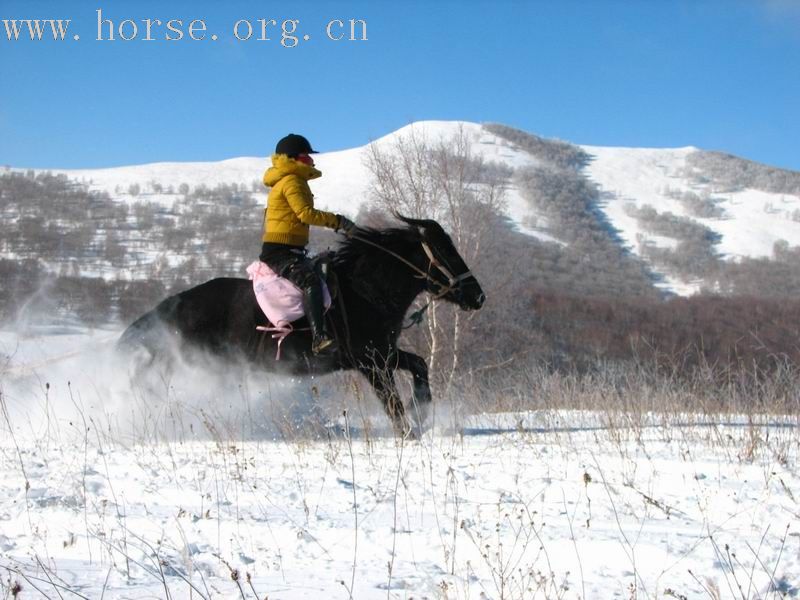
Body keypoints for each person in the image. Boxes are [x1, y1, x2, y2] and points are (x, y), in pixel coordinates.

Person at [259, 133, 356, 355]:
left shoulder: (291, 179)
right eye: (307, 156)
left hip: (291, 249)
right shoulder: (292, 180)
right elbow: (306, 214)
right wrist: (340, 222)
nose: (312, 160)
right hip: (280, 252)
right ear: (294, 158)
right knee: (310, 281)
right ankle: (319, 339)